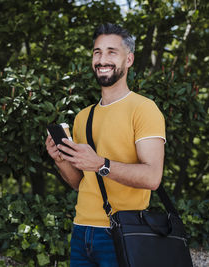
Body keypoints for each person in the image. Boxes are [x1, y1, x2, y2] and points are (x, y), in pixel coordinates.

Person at [45, 23, 166, 267]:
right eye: (97, 52)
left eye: (112, 52)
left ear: (129, 59)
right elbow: (81, 183)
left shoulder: (144, 109)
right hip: (81, 232)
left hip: (122, 232)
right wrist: (60, 161)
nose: (102, 59)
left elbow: (152, 177)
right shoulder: (83, 117)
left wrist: (101, 163)